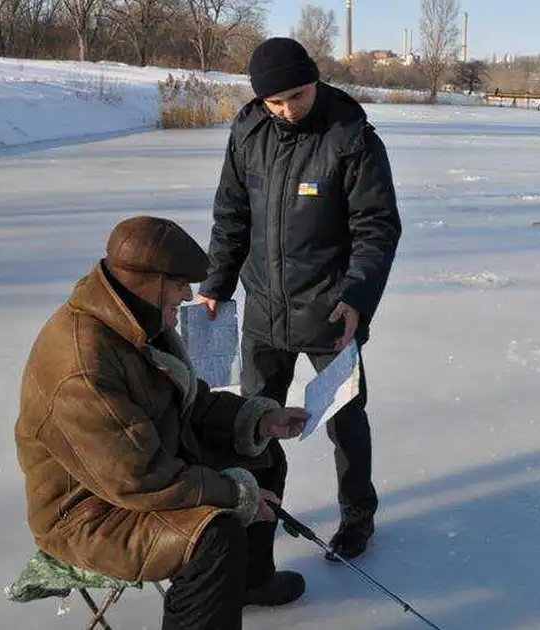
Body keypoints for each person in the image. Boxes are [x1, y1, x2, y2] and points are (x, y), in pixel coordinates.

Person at [14, 215, 310, 630]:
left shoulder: (136, 323)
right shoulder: (82, 365)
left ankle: (248, 583)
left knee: (264, 454)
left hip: (145, 464)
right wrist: (235, 494)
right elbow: (138, 477)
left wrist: (257, 420)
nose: (187, 295)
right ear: (145, 281)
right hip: (90, 511)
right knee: (214, 537)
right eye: (177, 285)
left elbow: (186, 405)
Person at [195, 37, 402, 561]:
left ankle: (358, 517)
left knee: (345, 420)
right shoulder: (248, 131)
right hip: (264, 312)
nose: (288, 110)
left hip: (333, 315)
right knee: (252, 425)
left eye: (298, 95)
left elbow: (376, 228)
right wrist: (216, 284)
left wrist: (357, 297)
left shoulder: (350, 136)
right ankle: (257, 525)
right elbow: (231, 217)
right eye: (276, 102)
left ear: (315, 80)